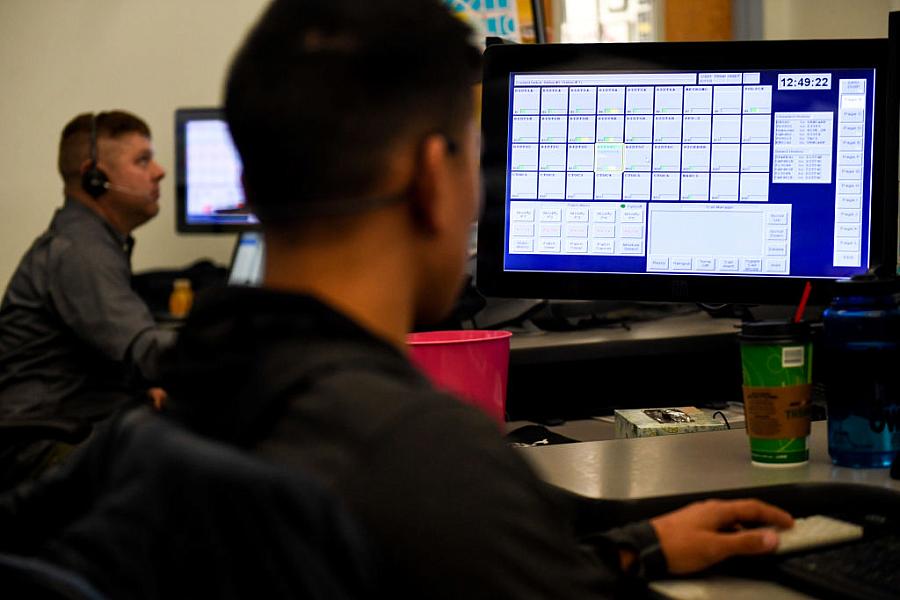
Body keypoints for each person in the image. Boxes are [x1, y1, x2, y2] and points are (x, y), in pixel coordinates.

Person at [156, 0, 793, 597]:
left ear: (248, 183)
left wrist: (638, 550)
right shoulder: (421, 457)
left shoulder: (184, 401)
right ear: (432, 178)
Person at [0, 111, 176, 484]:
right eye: (142, 160)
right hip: (42, 449)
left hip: (65, 427)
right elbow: (144, 350)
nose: (159, 171)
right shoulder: (80, 251)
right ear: (95, 178)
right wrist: (241, 348)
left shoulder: (91, 241)